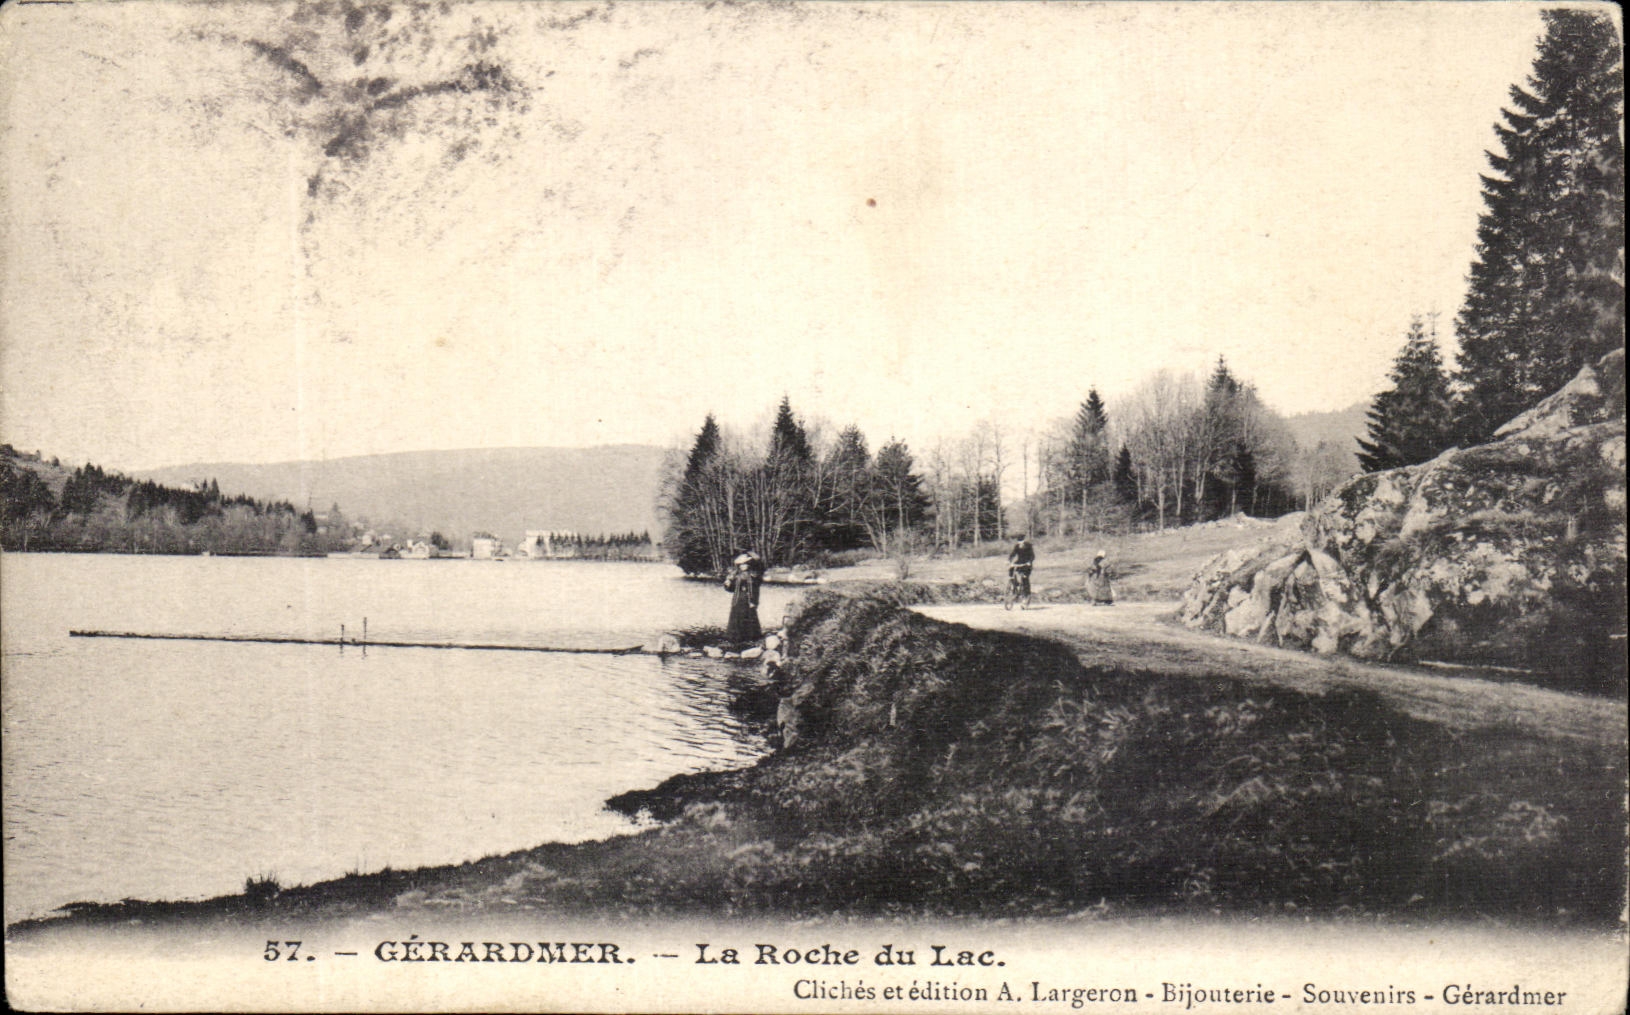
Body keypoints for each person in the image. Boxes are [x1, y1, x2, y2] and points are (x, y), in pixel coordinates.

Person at [724, 551, 764, 644]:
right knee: (736, 616)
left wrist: (754, 601)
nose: (742, 566)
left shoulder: (753, 575)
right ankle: (735, 637)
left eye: (744, 564)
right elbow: (732, 589)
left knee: (749, 616)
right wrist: (728, 584)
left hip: (748, 599)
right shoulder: (736, 576)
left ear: (748, 565)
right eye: (741, 565)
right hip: (737, 599)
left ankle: (751, 637)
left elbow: (755, 589)